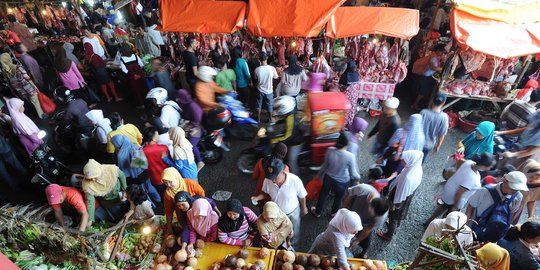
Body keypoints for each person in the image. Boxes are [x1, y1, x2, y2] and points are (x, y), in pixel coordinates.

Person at [424, 153, 495, 226]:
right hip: (454, 198)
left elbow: (460, 161)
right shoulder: (472, 178)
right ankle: (438, 227)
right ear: (483, 165)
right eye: (489, 167)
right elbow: (459, 193)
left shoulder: (470, 162)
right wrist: (456, 207)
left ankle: (429, 221)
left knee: (443, 206)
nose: (489, 169)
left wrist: (456, 173)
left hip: (449, 189)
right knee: (449, 217)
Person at [252, 159, 307, 249]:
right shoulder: (268, 180)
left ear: (282, 172)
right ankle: (279, 246)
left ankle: (292, 247)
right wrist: (257, 198)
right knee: (275, 234)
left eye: (275, 177)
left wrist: (304, 208)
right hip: (276, 215)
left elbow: (302, 196)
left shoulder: (295, 180)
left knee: (293, 232)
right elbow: (265, 193)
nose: (273, 181)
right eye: (271, 177)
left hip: (292, 213)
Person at [466, 172, 529, 242]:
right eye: (514, 187)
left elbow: (511, 213)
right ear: (504, 181)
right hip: (475, 228)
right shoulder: (484, 191)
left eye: (518, 188)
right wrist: (465, 225)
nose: (516, 190)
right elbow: (470, 207)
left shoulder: (518, 196)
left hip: (496, 232)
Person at [377, 150, 424, 240]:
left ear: (411, 160)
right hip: (407, 197)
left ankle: (389, 235)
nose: (402, 161)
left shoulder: (407, 178)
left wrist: (395, 204)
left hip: (399, 199)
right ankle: (395, 224)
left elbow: (400, 193)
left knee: (393, 215)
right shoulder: (416, 168)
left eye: (404, 160)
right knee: (399, 214)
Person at [311, 132, 361, 217]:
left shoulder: (330, 150)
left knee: (323, 194)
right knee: (338, 197)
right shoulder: (350, 156)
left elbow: (325, 165)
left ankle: (317, 212)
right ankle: (333, 213)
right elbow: (353, 174)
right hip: (342, 182)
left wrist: (318, 175)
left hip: (328, 178)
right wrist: (358, 178)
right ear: (347, 143)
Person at [111, 134, 161, 203]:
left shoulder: (120, 155)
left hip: (133, 178)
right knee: (150, 186)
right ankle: (158, 199)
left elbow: (124, 171)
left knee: (141, 192)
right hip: (144, 172)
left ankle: (150, 204)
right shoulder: (134, 146)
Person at [343, 183, 389, 258]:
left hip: (363, 224)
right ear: (370, 203)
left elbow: (368, 228)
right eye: (372, 213)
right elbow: (349, 196)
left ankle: (363, 253)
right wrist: (343, 210)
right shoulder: (362, 189)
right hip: (351, 214)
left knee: (366, 241)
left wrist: (358, 240)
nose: (373, 216)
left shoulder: (381, 216)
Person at [82, 159, 128, 225]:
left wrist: (125, 190)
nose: (93, 180)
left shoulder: (110, 169)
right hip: (109, 202)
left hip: (121, 194)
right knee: (118, 214)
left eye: (95, 177)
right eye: (90, 179)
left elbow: (122, 176)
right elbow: (90, 201)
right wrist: (90, 219)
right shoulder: (87, 185)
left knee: (127, 208)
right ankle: (123, 225)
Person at [162, 167, 205, 235]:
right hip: (183, 217)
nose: (168, 185)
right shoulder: (168, 194)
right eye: (165, 183)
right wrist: (169, 228)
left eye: (170, 182)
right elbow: (169, 212)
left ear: (176, 178)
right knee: (189, 232)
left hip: (197, 213)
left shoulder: (190, 183)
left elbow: (202, 195)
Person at [1, 53, 45, 119]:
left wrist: (14, 91)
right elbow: (27, 78)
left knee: (31, 102)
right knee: (36, 102)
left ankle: (36, 113)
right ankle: (41, 116)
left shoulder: (5, 73)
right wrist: (34, 86)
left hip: (20, 90)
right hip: (28, 87)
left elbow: (9, 84)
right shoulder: (18, 67)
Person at [270, 96, 304, 174]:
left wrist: (275, 140)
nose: (278, 109)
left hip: (296, 143)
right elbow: (281, 121)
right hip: (293, 137)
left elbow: (288, 136)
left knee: (291, 161)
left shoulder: (290, 119)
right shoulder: (289, 113)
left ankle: (295, 177)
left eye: (279, 108)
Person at [252, 143, 289, 210]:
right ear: (284, 155)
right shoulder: (285, 168)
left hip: (261, 191)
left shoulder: (261, 162)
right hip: (274, 197)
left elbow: (254, 176)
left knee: (262, 209)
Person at [176, 89, 204, 167]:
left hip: (198, 127)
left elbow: (198, 119)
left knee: (191, 145)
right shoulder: (186, 104)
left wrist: (189, 127)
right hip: (193, 125)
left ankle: (199, 161)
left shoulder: (192, 106)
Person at [413, 44, 445, 109]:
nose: (442, 53)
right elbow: (433, 67)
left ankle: (420, 103)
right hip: (426, 76)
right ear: (438, 50)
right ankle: (414, 104)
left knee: (425, 91)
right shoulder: (433, 57)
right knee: (423, 92)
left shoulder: (436, 56)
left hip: (428, 76)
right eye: (442, 52)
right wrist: (442, 68)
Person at [119, 43, 149, 108]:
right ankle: (148, 101)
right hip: (140, 74)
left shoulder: (122, 59)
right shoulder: (135, 56)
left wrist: (132, 75)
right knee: (143, 87)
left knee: (136, 90)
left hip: (132, 77)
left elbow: (124, 70)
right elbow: (141, 64)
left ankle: (141, 104)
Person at [420, 92, 449, 158]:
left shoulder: (423, 112)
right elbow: (441, 134)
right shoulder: (444, 117)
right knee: (419, 162)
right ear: (443, 103)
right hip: (428, 145)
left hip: (417, 141)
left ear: (432, 100)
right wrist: (438, 145)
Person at [142, 127, 169, 196]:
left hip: (155, 179)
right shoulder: (164, 147)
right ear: (153, 138)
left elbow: (139, 166)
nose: (159, 135)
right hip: (168, 175)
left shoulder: (141, 151)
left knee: (163, 196)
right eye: (157, 134)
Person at [254, 52, 278, 122]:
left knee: (258, 104)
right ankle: (270, 118)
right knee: (270, 105)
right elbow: (275, 77)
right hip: (269, 90)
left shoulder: (257, 69)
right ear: (267, 58)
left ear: (259, 60)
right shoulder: (272, 68)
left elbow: (255, 78)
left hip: (260, 89)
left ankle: (258, 119)